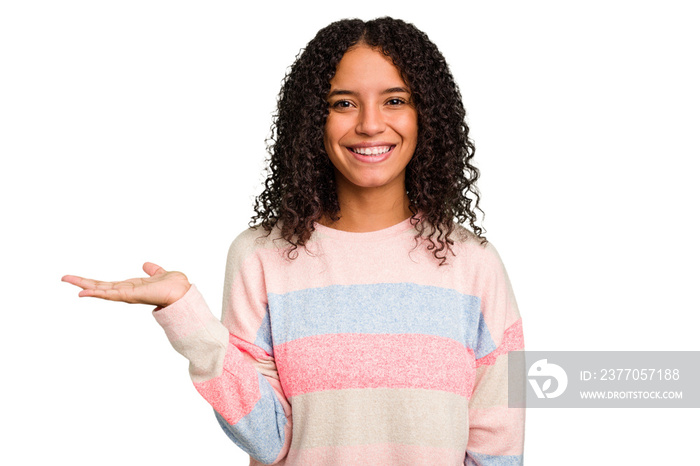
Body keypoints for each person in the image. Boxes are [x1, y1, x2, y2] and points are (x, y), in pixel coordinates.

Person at [62, 17, 525, 466]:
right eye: (343, 103)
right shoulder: (261, 257)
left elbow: (499, 449)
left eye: (394, 100)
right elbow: (266, 442)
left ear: (427, 114)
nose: (369, 124)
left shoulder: (474, 264)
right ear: (312, 120)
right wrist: (190, 319)